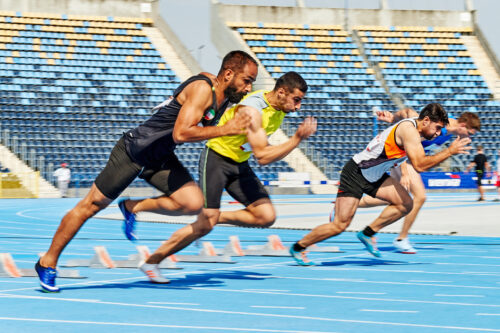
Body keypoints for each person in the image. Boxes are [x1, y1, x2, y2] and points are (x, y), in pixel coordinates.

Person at [34, 50, 258, 292]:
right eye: (247, 81)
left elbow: (192, 103)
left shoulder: (223, 96)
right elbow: (181, 133)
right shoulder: (204, 89)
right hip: (134, 151)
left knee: (192, 203)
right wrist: (225, 129)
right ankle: (47, 261)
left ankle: (131, 207)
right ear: (228, 74)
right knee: (90, 206)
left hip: (159, 156)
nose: (248, 88)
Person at [125, 71, 316, 283]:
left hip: (238, 162)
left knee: (265, 216)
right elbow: (262, 156)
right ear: (281, 92)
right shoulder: (253, 110)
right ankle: (152, 262)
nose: (298, 107)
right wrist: (297, 138)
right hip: (216, 159)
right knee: (205, 225)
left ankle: (215, 216)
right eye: (296, 100)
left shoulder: (276, 107)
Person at [289, 103, 471, 265]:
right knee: (339, 225)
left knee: (406, 204)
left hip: (375, 175)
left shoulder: (417, 125)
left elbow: (405, 112)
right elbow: (420, 164)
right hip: (357, 172)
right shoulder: (409, 130)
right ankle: (298, 246)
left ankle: (368, 233)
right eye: (437, 128)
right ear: (425, 120)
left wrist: (393, 117)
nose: (439, 133)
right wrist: (449, 151)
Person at [356, 109, 480, 253]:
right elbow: (407, 116)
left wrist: (393, 119)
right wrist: (404, 172)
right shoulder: (441, 126)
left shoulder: (449, 132)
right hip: (402, 158)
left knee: (389, 199)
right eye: (470, 134)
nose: (469, 138)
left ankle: (347, 203)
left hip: (408, 159)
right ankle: (401, 239)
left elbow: (406, 116)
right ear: (463, 125)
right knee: (420, 197)